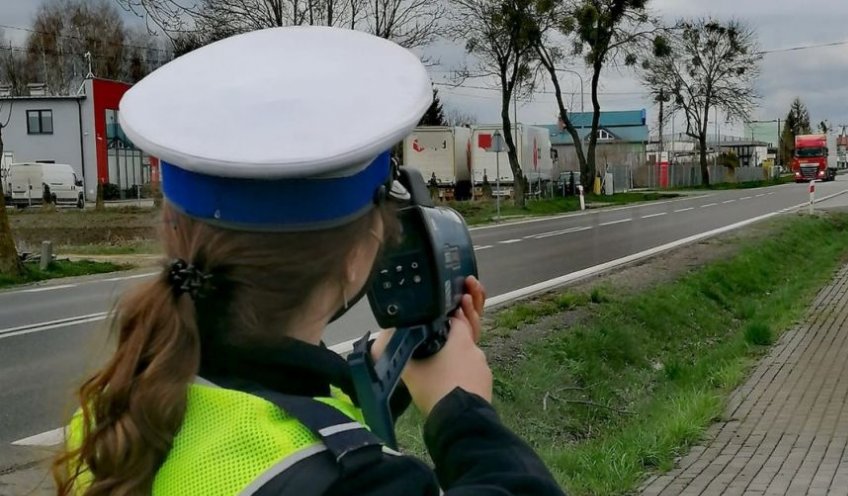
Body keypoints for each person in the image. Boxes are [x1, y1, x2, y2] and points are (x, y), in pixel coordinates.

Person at [53, 27, 564, 496]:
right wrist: (462, 410)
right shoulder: (354, 483)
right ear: (359, 256)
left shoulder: (115, 419)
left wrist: (381, 374)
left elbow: (266, 424)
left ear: (171, 228)